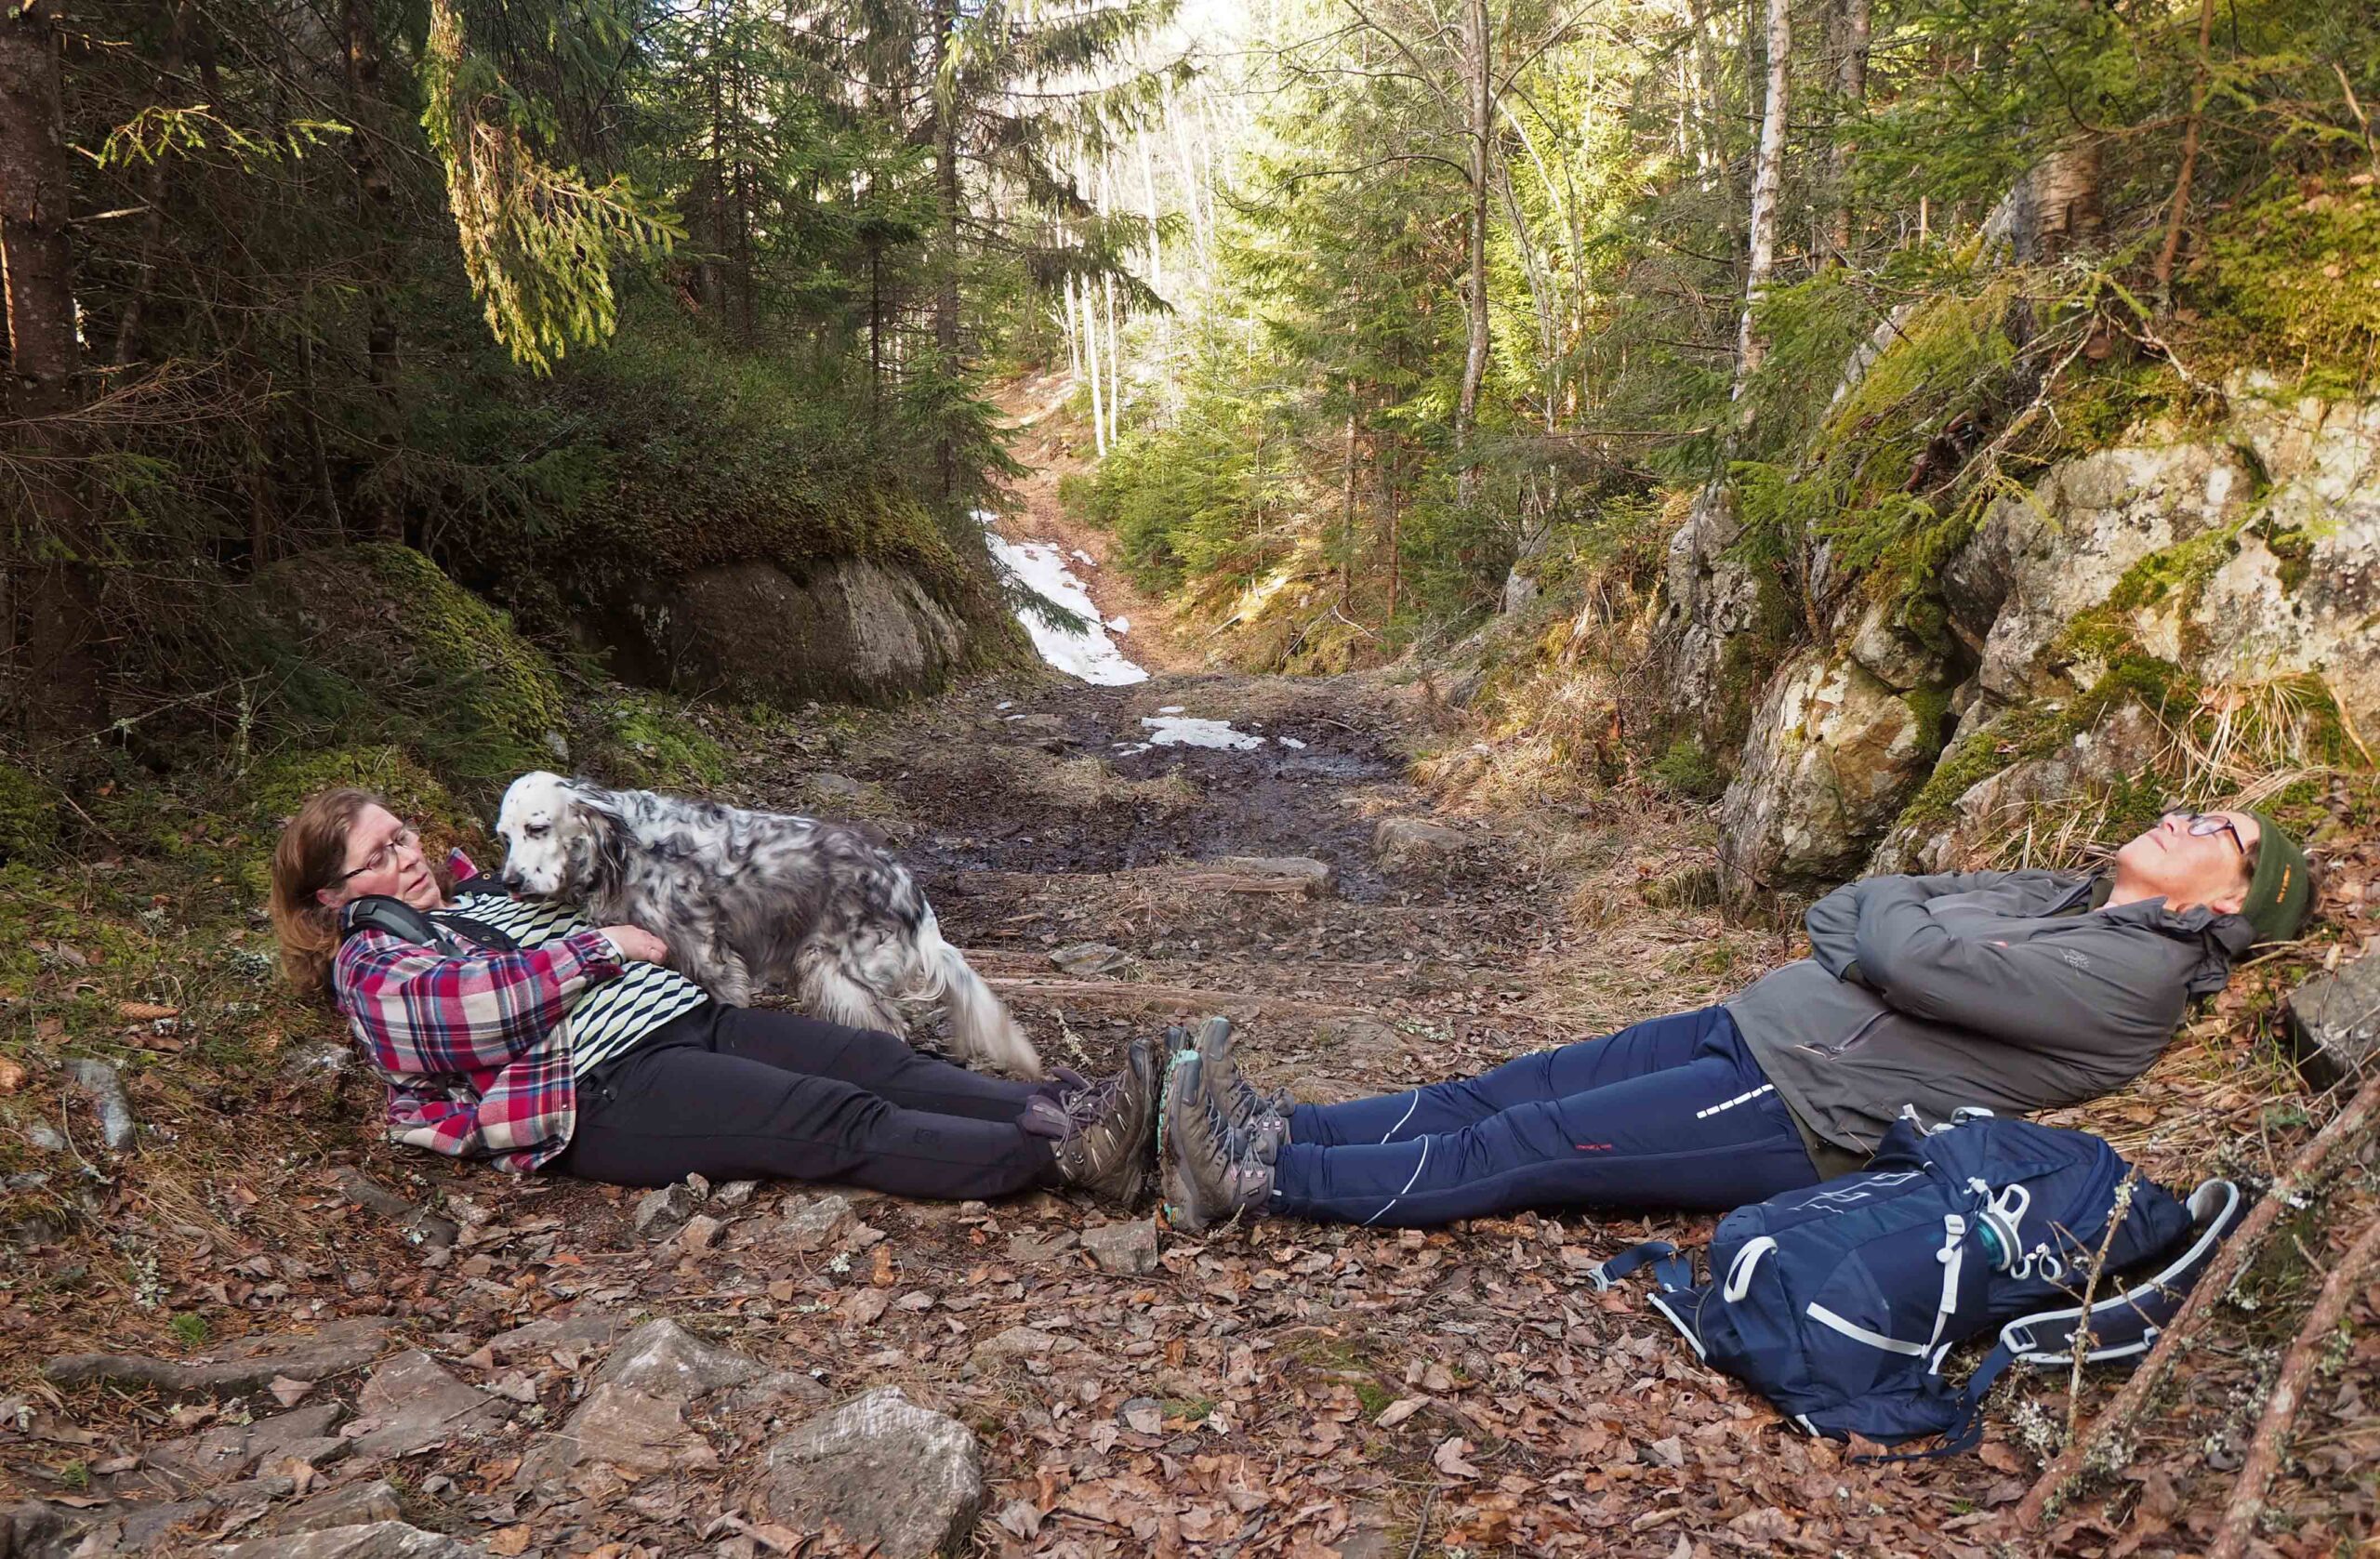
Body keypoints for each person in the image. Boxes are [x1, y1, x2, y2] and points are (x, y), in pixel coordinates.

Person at [1158, 809, 2313, 1232]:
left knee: (1515, 1149)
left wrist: (1895, 938)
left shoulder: (2135, 987)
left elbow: (1903, 949)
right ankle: (1279, 1128)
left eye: (2224, 833)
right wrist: (1891, 939)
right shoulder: (2057, 893)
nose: (2186, 815)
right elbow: (1852, 911)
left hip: (1801, 1109)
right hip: (1747, 1026)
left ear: (2228, 902)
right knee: (1494, 1091)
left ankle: (1257, 1184)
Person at [271, 787, 1157, 1204]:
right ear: (332, 895)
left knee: (883, 1059)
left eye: (405, 833)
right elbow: (465, 1016)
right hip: (600, 1092)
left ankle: (1086, 1107)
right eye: (380, 855)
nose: (409, 856)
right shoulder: (371, 963)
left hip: (692, 1019)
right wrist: (597, 948)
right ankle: (1068, 1155)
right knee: (837, 1118)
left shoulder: (485, 896)